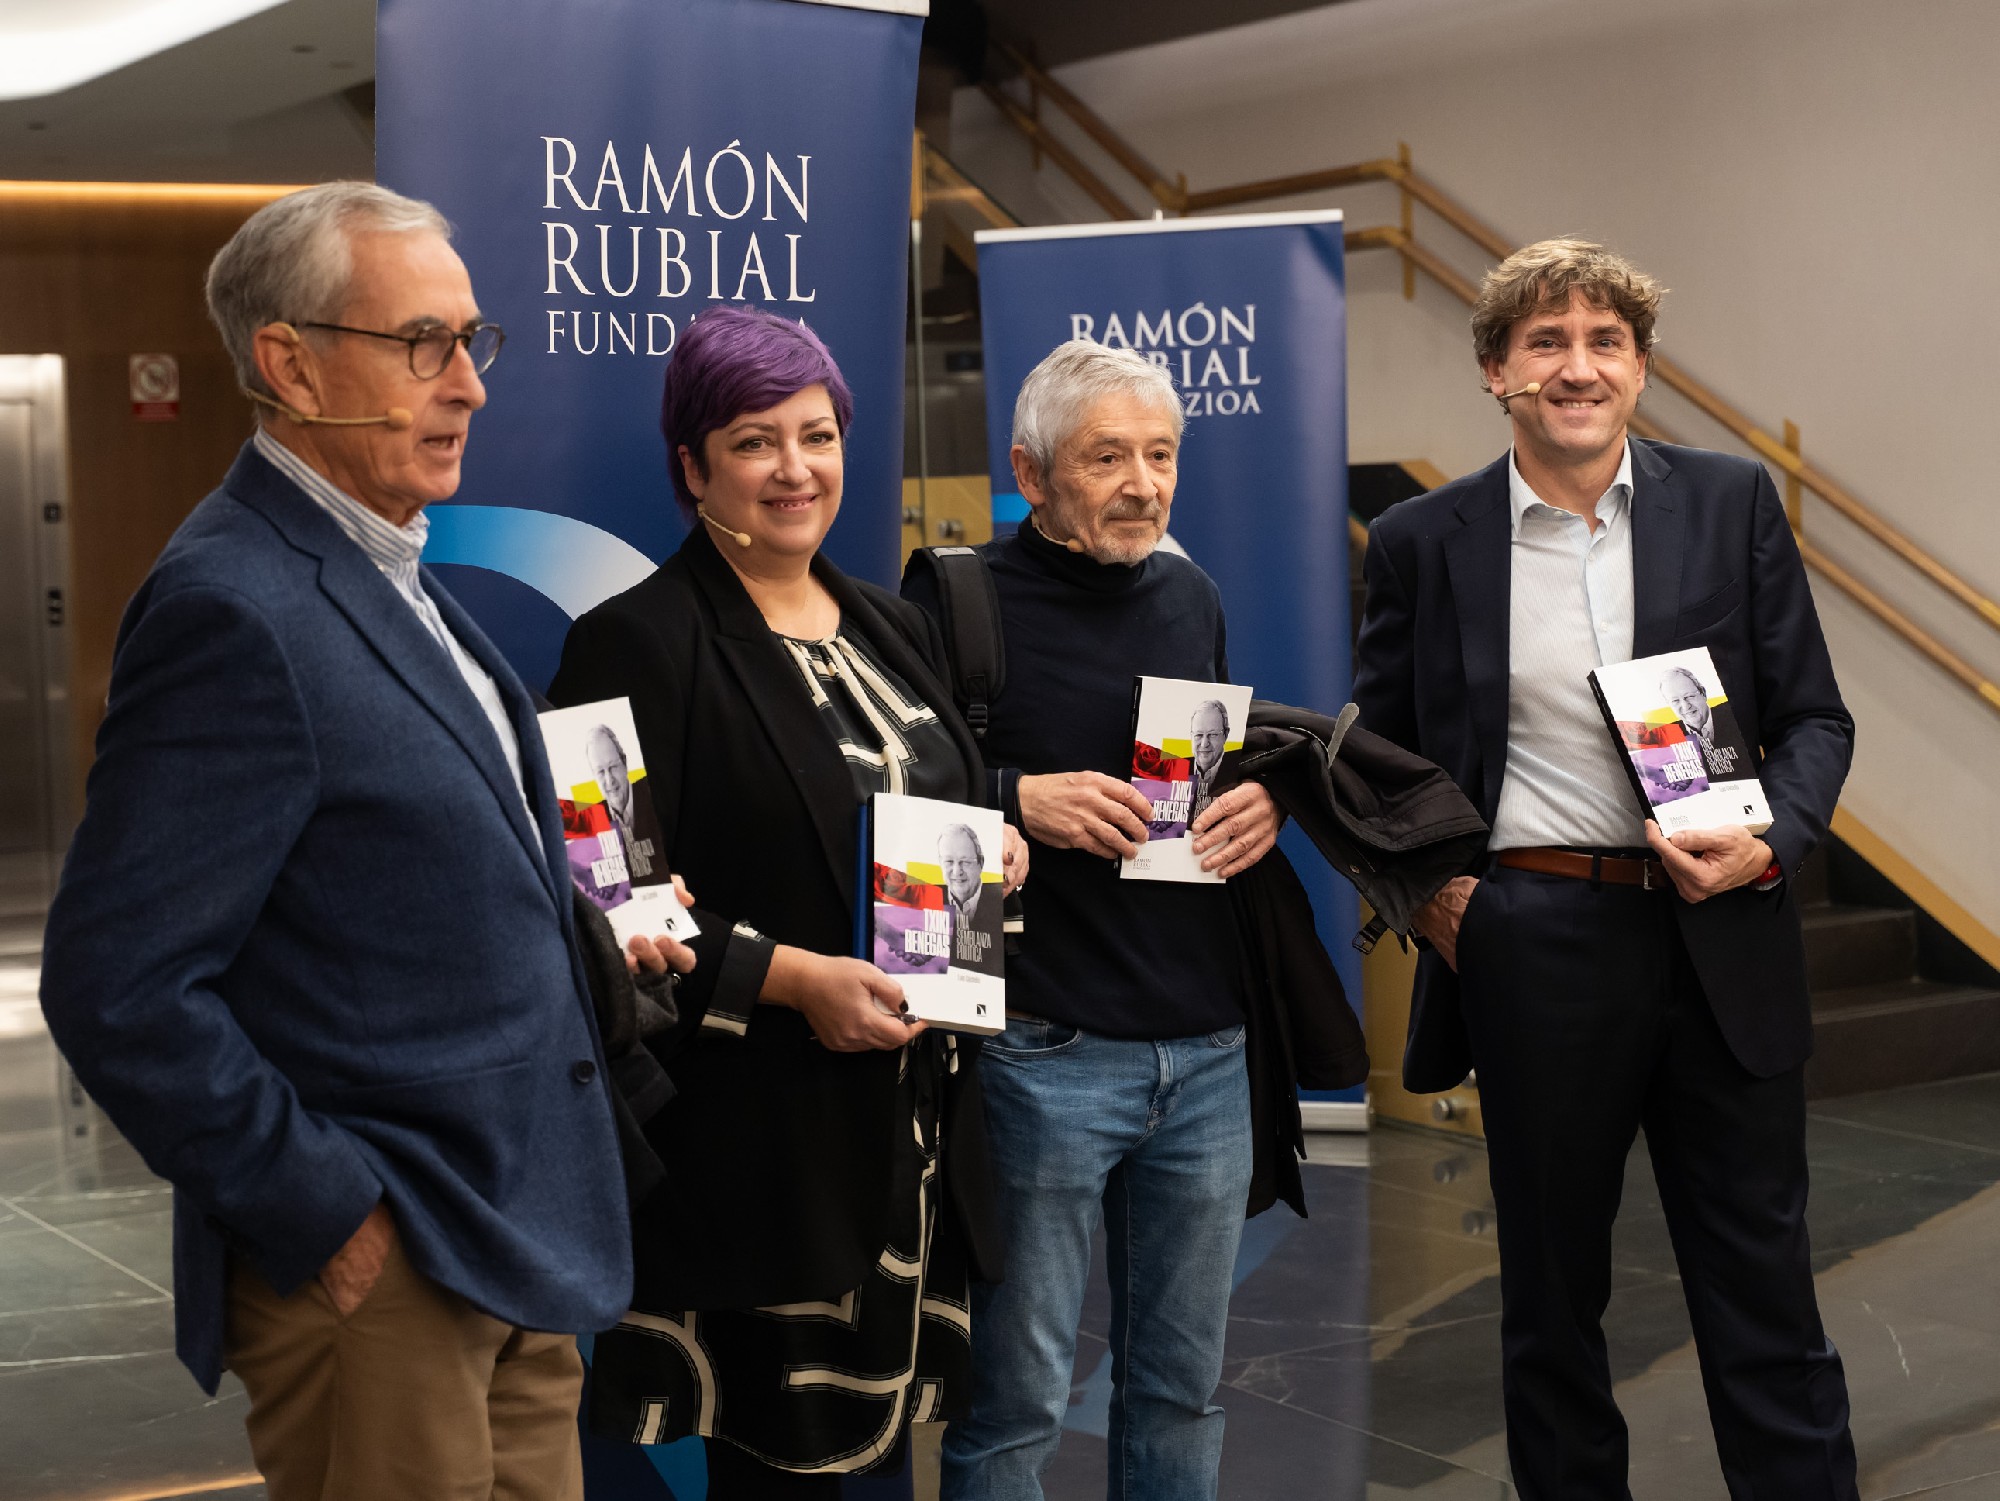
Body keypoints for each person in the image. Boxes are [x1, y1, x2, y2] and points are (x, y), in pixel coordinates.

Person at [37, 181, 686, 1501]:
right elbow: (117, 985)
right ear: (289, 362)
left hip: (514, 1241)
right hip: (389, 1274)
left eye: (472, 341)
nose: (470, 386)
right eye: (422, 344)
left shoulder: (392, 572)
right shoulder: (234, 606)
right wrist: (328, 1211)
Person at [1352, 238, 1859, 1499]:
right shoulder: (1420, 539)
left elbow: (1813, 718)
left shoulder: (1729, 501)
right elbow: (1375, 759)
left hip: (1718, 932)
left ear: (1637, 369)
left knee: (1764, 1292)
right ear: (1495, 371)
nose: (1575, 367)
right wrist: (1435, 895)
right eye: (1545, 342)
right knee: (1550, 1301)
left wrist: (1770, 839)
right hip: (1535, 937)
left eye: (1603, 342)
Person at [546, 306, 1026, 1496]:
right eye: (753, 441)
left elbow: (922, 803)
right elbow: (609, 903)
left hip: (913, 1125)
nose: (794, 468)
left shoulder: (889, 623)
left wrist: (991, 846)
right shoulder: (632, 642)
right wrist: (797, 980)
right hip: (759, 1137)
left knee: (882, 1464)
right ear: (692, 466)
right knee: (784, 1473)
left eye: (817, 435)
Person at [905, 340, 1283, 1501]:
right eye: (1106, 457)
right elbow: (895, 790)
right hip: (1041, 1048)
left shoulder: (1190, 594)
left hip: (1205, 1049)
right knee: (1013, 1404)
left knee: (1181, 1390)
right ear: (1029, 471)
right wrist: (1013, 796)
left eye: (1159, 456)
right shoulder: (954, 597)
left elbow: (1201, 783)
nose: (1141, 484)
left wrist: (1260, 801)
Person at [587, 721, 662, 877]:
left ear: (625, 763)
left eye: (613, 767)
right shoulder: (589, 824)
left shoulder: (654, 796)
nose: (609, 781)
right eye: (600, 772)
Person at [938, 822, 1002, 975]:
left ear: (981, 863)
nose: (956, 871)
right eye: (949, 862)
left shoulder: (1001, 900)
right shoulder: (923, 900)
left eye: (965, 862)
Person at [1660, 663, 1737, 778]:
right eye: (1675, 701)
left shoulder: (1733, 714)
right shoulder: (1664, 738)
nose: (1685, 706)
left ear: (1703, 693)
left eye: (1689, 696)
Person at [1188, 698, 1231, 818]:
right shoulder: (1172, 770)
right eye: (1198, 735)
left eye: (1212, 735)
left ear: (1226, 735)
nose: (1204, 744)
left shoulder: (1238, 770)